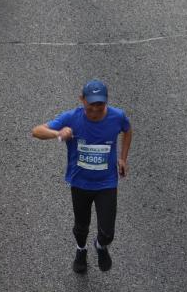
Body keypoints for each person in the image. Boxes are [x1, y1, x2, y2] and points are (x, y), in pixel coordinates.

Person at [32, 80, 132, 274]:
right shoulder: (72, 117)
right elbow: (36, 131)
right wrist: (57, 133)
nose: (95, 109)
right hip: (80, 183)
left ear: (106, 101)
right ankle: (81, 250)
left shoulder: (117, 117)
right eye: (91, 104)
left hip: (107, 183)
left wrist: (123, 158)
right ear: (82, 100)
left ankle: (101, 246)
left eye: (99, 104)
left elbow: (127, 130)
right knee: (81, 226)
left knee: (108, 232)